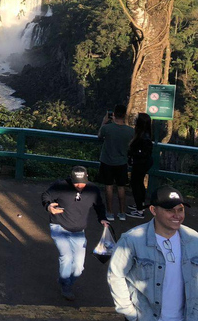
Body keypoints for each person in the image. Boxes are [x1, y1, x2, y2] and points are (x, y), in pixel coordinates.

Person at [107, 185, 197, 321]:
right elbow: (116, 275)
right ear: (153, 210)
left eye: (180, 210)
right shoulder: (131, 240)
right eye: (169, 210)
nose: (177, 215)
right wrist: (129, 312)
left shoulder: (194, 240)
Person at [41, 166, 109, 300]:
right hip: (59, 226)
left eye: (82, 182)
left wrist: (102, 218)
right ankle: (66, 286)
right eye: (76, 182)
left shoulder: (92, 190)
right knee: (66, 257)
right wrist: (48, 206)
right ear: (71, 179)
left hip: (79, 231)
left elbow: (99, 205)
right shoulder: (61, 186)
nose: (79, 186)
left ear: (87, 178)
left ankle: (64, 281)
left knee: (79, 267)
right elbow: (46, 195)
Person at [98, 104, 135, 221]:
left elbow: (99, 136)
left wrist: (104, 122)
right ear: (124, 115)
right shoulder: (130, 131)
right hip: (122, 162)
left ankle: (109, 212)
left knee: (108, 186)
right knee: (121, 187)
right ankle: (122, 212)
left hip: (107, 161)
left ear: (113, 114)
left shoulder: (107, 128)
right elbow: (131, 144)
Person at [127, 113, 154, 219]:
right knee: (140, 183)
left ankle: (139, 210)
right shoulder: (145, 134)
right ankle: (140, 204)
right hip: (143, 163)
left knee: (135, 184)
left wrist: (133, 154)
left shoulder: (143, 137)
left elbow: (143, 152)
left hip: (140, 163)